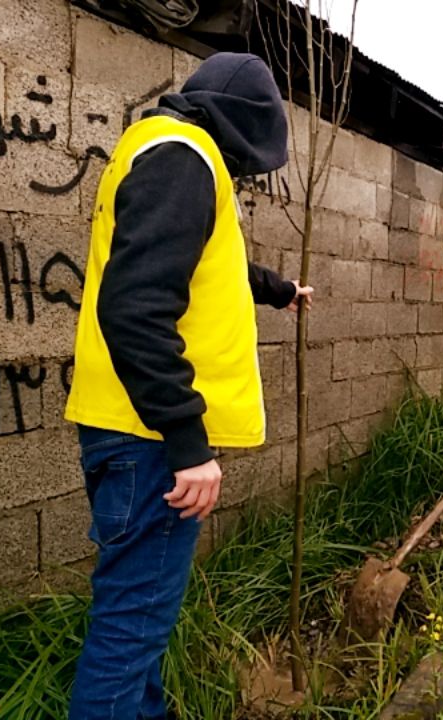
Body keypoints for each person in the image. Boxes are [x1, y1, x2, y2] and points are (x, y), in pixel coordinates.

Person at [63, 53, 313, 719]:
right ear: (244, 133)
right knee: (127, 638)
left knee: (136, 631)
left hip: (131, 431)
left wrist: (280, 290)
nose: (245, 176)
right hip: (151, 442)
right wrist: (187, 440)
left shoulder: (166, 152)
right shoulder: (183, 160)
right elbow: (136, 307)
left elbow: (208, 258)